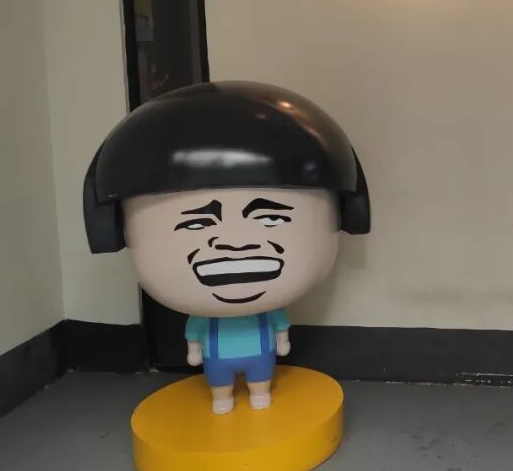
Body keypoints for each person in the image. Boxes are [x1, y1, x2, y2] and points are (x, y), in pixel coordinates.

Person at [83, 81, 370, 414]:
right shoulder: (202, 319)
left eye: (270, 218)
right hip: (218, 361)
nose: (236, 242)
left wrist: (280, 341)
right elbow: (198, 333)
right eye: (197, 223)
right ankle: (224, 396)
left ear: (344, 215)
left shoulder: (267, 312)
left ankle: (255, 393)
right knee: (221, 383)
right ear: (115, 230)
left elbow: (278, 326)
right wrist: (195, 350)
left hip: (258, 359)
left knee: (257, 381)